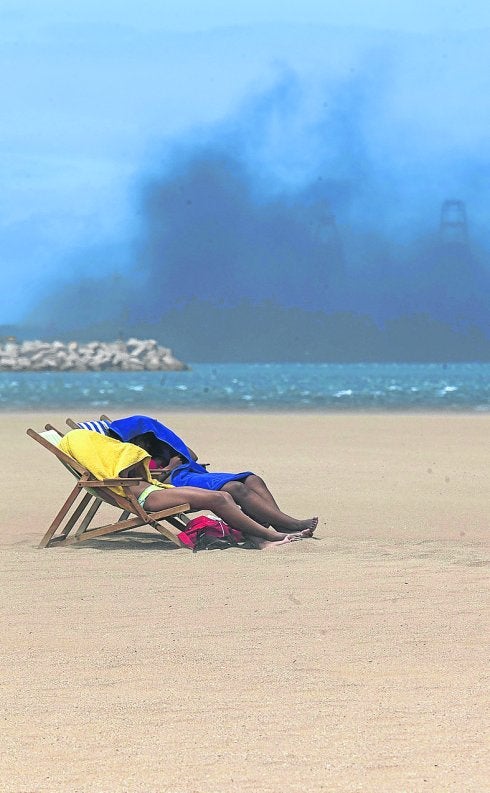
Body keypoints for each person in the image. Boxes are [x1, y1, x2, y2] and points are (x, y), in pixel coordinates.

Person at [58, 428, 313, 550]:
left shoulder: (115, 460)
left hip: (154, 489)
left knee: (224, 495)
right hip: (148, 497)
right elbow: (117, 471)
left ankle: (260, 537)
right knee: (221, 498)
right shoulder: (108, 466)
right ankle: (270, 536)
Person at [107, 414, 319, 536]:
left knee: (252, 478)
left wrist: (170, 445)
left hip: (187, 473)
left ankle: (280, 523)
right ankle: (291, 524)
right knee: (234, 488)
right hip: (173, 483)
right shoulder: (128, 453)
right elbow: (142, 481)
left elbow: (191, 455)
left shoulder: (158, 446)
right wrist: (168, 468)